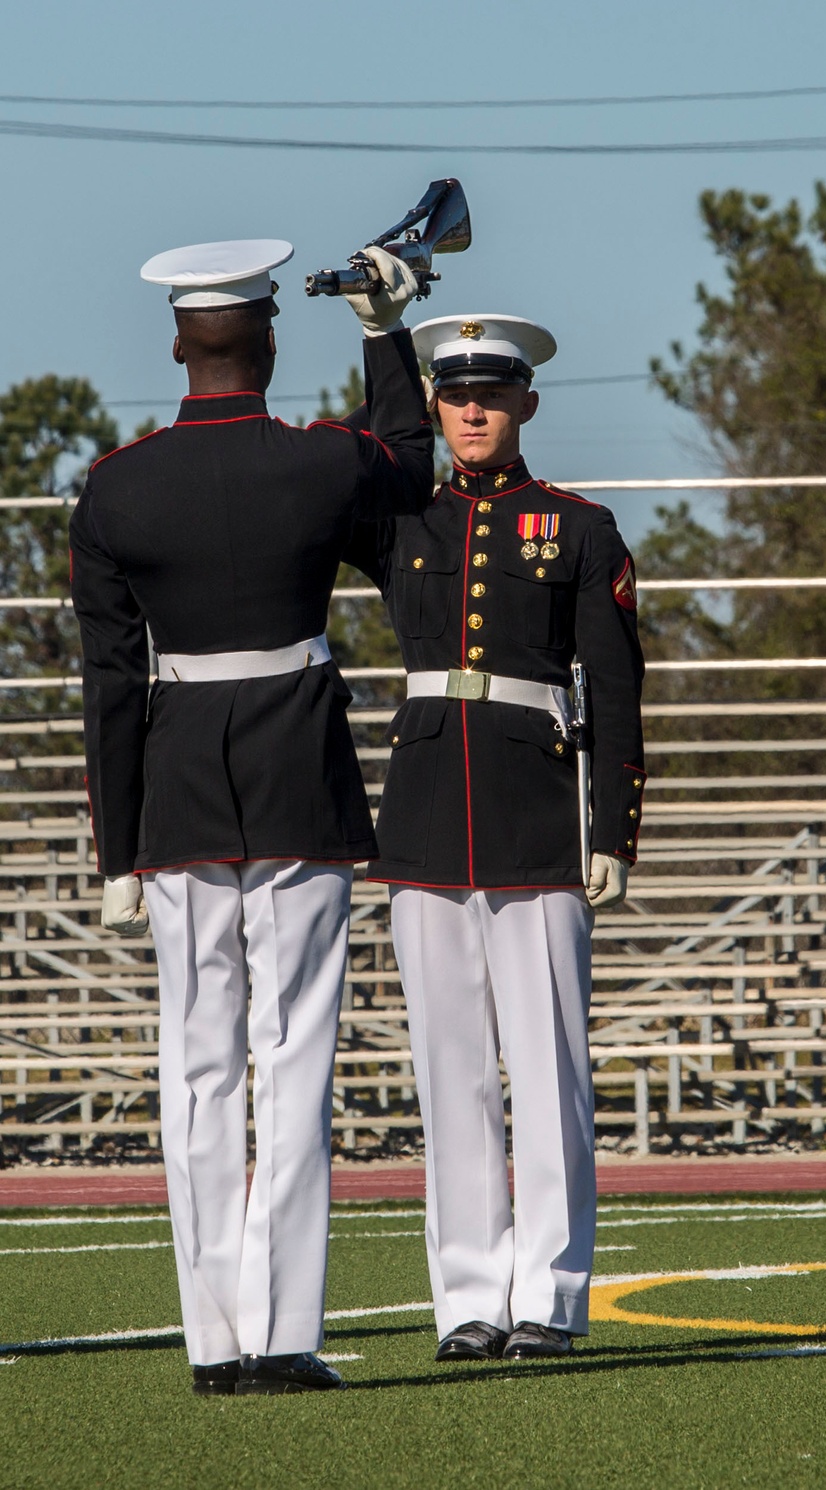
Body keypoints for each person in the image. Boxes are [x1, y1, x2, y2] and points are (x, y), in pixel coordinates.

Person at [70, 238, 434, 1395]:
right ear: (270, 339)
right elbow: (414, 463)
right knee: (293, 1060)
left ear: (179, 343)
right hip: (297, 779)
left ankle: (212, 1340)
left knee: (198, 1064)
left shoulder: (117, 483)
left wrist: (115, 842)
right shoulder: (319, 463)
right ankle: (282, 1335)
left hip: (176, 789)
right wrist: (383, 330)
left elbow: (110, 679)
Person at [345, 314, 645, 1362]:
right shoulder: (400, 517)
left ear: (526, 402)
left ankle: (552, 1297)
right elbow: (370, 457)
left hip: (537, 817)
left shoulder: (577, 526)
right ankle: (470, 1296)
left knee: (549, 1068)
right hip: (426, 815)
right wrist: (383, 339)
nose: (472, 409)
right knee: (452, 1070)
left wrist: (613, 822)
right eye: (453, 393)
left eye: (492, 392)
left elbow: (614, 683)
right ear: (435, 406)